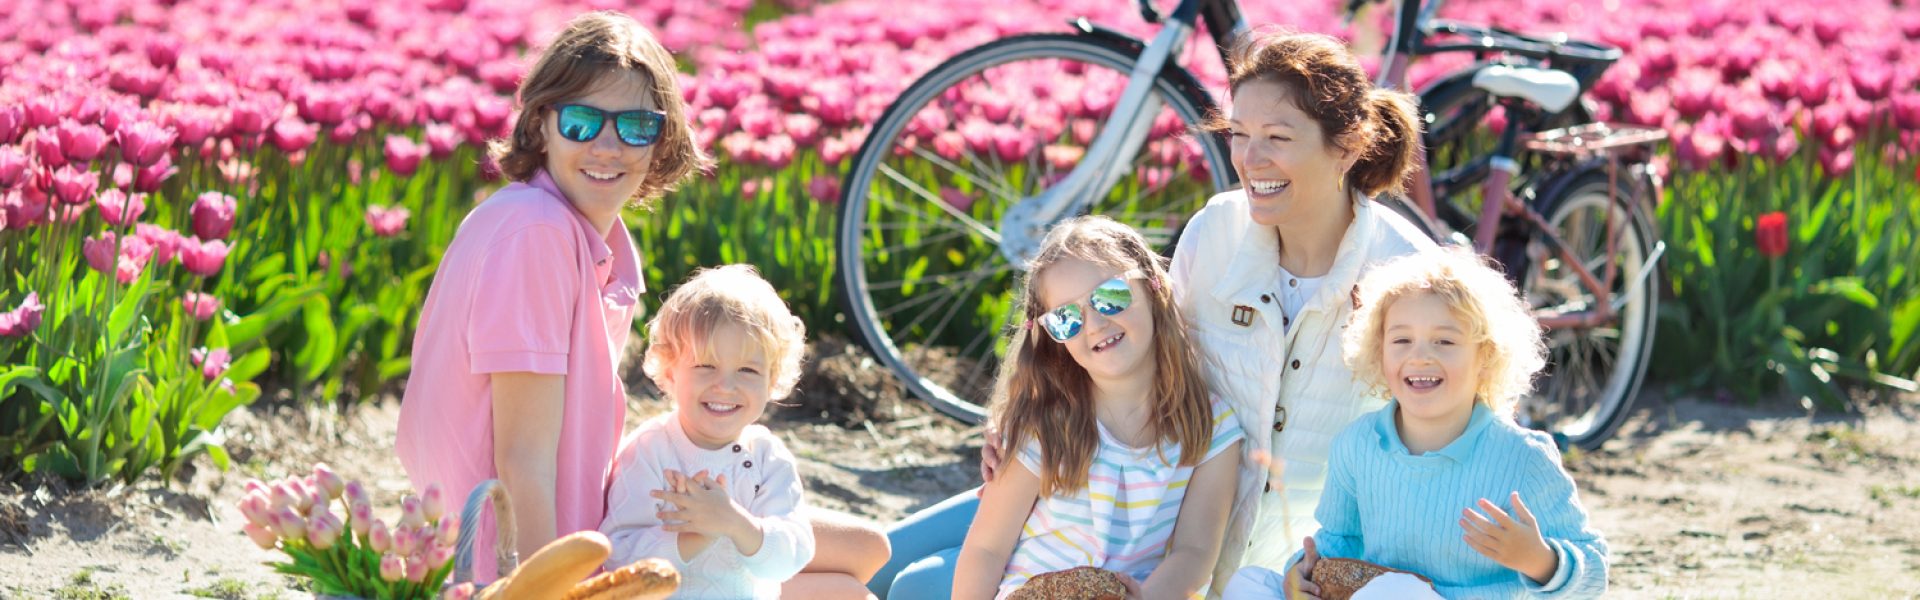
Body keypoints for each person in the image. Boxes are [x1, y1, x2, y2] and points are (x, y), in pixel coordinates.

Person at [872, 30, 1434, 598]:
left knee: (918, 586)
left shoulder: (1406, 274)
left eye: (1278, 137)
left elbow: (1447, 445)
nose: (1250, 159)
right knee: (881, 560)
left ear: (1347, 145)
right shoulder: (1217, 231)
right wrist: (1019, 408)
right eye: (1239, 135)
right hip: (1077, 490)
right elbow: (1125, 331)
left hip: (1209, 558)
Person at [396, 12, 889, 590]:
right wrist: (551, 589)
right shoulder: (534, 234)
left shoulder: (592, 237)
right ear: (540, 124)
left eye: (635, 126)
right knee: (841, 588)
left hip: (606, 517)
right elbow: (522, 458)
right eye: (581, 121)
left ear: (662, 139)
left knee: (865, 549)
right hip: (531, 560)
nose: (608, 146)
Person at [1223, 248, 1608, 599]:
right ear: (1378, 350)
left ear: (1486, 357)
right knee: (1249, 584)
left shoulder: (1520, 458)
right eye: (1402, 340)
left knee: (1391, 593)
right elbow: (1338, 546)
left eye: (1444, 342)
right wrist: (1301, 574)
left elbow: (1594, 574)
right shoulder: (1358, 445)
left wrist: (1539, 560)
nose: (1420, 356)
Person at [952, 216, 1244, 599]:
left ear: (1152, 286)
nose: (1093, 324)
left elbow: (1196, 550)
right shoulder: (1046, 423)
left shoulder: (1211, 425)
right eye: (1066, 318)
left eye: (1110, 296)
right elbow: (987, 549)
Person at [601, 265, 822, 598]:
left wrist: (734, 523)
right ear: (670, 372)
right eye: (706, 366)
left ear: (772, 379)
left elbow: (792, 554)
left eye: (748, 370)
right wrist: (694, 536)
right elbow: (618, 556)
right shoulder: (650, 451)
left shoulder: (767, 457)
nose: (726, 386)